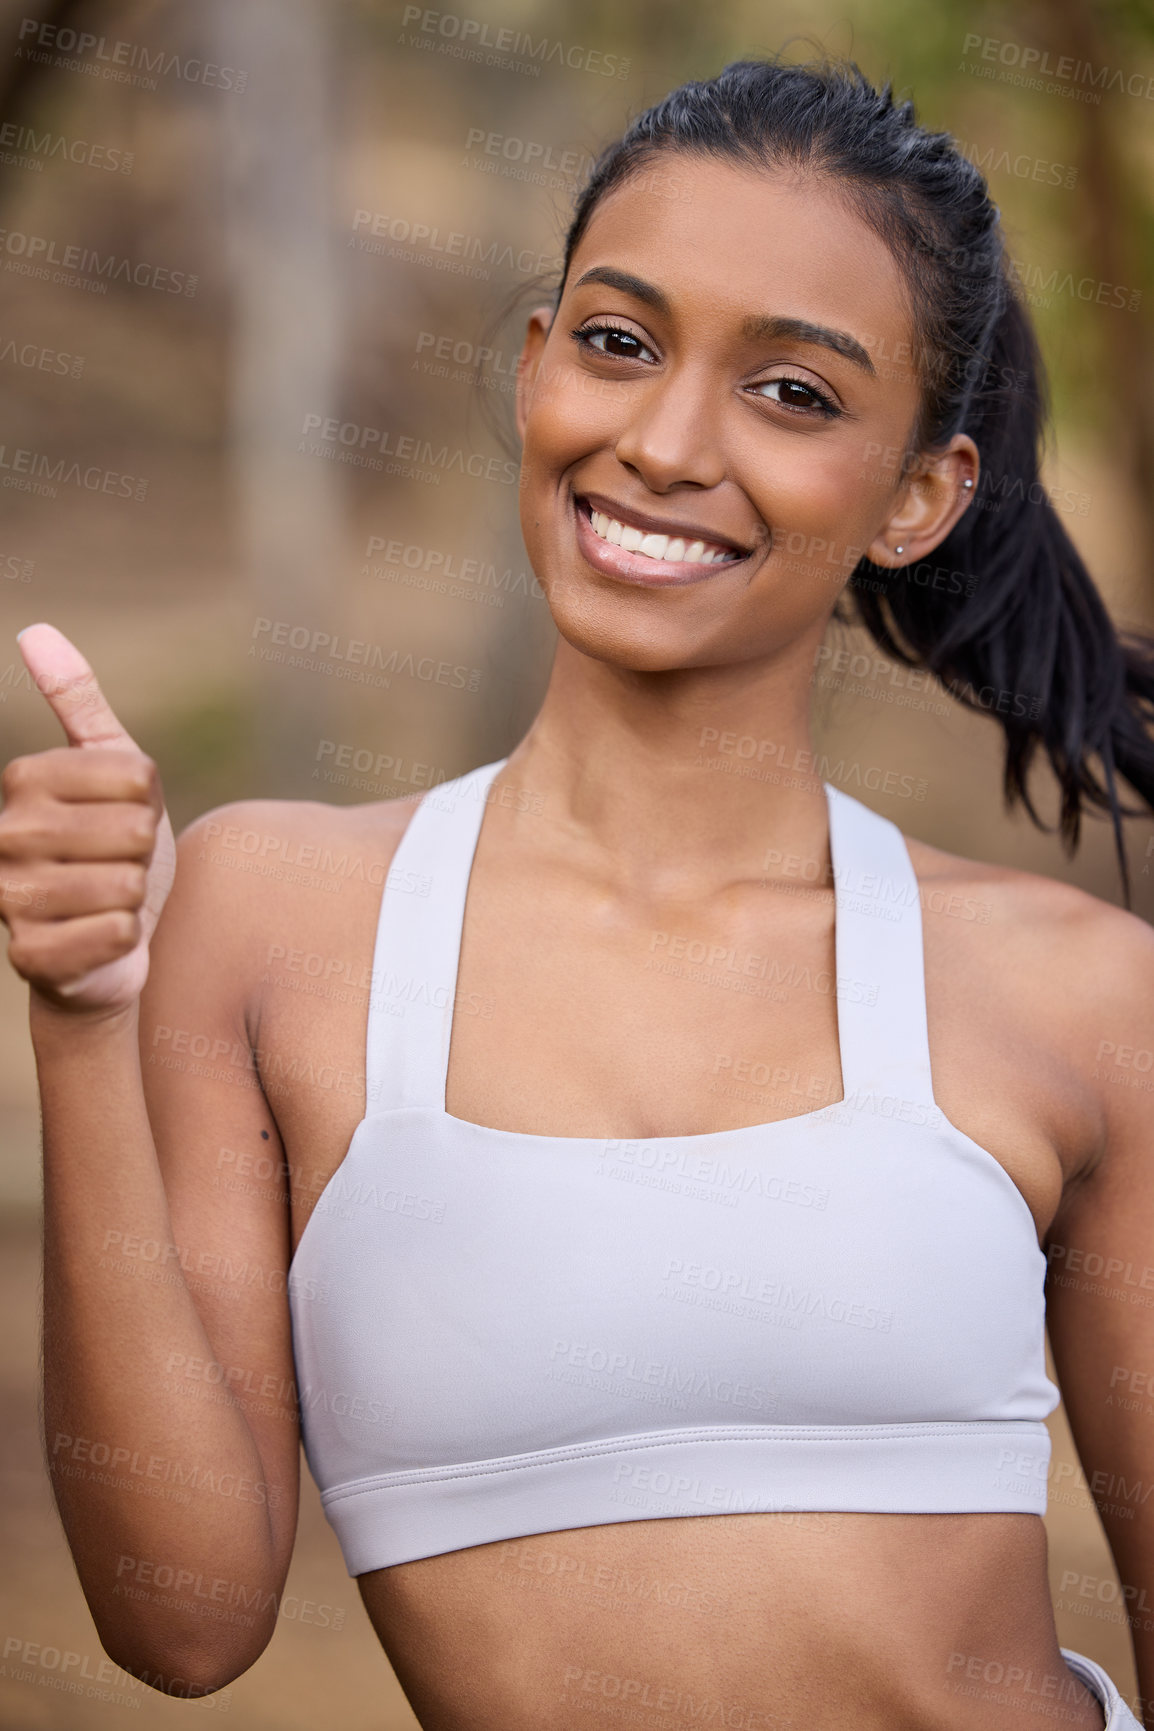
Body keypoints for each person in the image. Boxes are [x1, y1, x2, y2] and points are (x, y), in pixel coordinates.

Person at [3, 53, 1153, 1731]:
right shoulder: (267, 918)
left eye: (795, 395)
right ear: (536, 367)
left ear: (919, 496)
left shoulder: (1079, 994)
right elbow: (185, 1620)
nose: (668, 441)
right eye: (620, 344)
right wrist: (84, 1022)